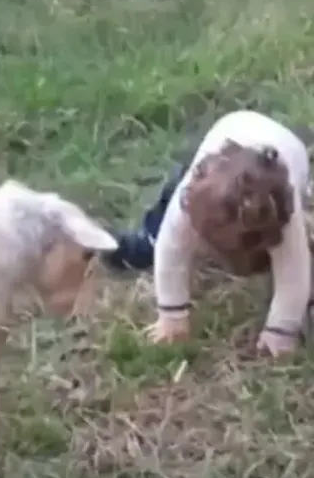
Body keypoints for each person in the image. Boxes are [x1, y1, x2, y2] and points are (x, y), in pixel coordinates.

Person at [106, 110, 310, 357]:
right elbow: (171, 250)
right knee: (167, 218)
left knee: (292, 253)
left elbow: (294, 274)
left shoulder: (283, 209)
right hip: (231, 129)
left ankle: (263, 257)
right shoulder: (192, 193)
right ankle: (146, 240)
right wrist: (172, 315)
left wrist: (280, 332)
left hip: (290, 151)